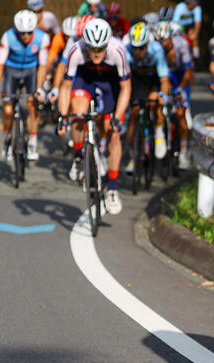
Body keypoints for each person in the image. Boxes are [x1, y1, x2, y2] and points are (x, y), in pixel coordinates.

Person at [58, 18, 130, 215]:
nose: (96, 52)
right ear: (85, 43)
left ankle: (113, 189)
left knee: (113, 132)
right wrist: (63, 117)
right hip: (85, 78)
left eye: (101, 48)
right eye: (92, 47)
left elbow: (126, 88)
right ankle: (78, 157)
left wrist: (118, 117)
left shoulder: (118, 51)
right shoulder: (76, 50)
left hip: (110, 83)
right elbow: (65, 87)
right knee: (78, 113)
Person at [0, 10, 50, 161]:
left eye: (29, 33)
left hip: (31, 70)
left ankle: (33, 143)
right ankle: (7, 140)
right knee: (8, 109)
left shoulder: (42, 38)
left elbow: (43, 66)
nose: (26, 36)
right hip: (12, 70)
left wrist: (39, 89)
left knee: (32, 104)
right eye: (22, 33)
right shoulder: (8, 37)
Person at [124, 21, 171, 174]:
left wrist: (163, 95)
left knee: (154, 102)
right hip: (138, 80)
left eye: (142, 48)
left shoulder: (157, 50)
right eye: (135, 48)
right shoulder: (127, 51)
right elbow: (125, 78)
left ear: (148, 44)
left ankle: (158, 134)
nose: (138, 52)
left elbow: (164, 79)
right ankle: (132, 157)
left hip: (153, 80)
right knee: (135, 112)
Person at [155, 20, 194, 169]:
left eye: (165, 40)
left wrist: (181, 88)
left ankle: (184, 151)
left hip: (181, 76)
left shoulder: (181, 45)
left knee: (180, 113)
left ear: (171, 37)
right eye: (160, 41)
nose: (163, 44)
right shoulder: (158, 49)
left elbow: (188, 71)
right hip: (166, 76)